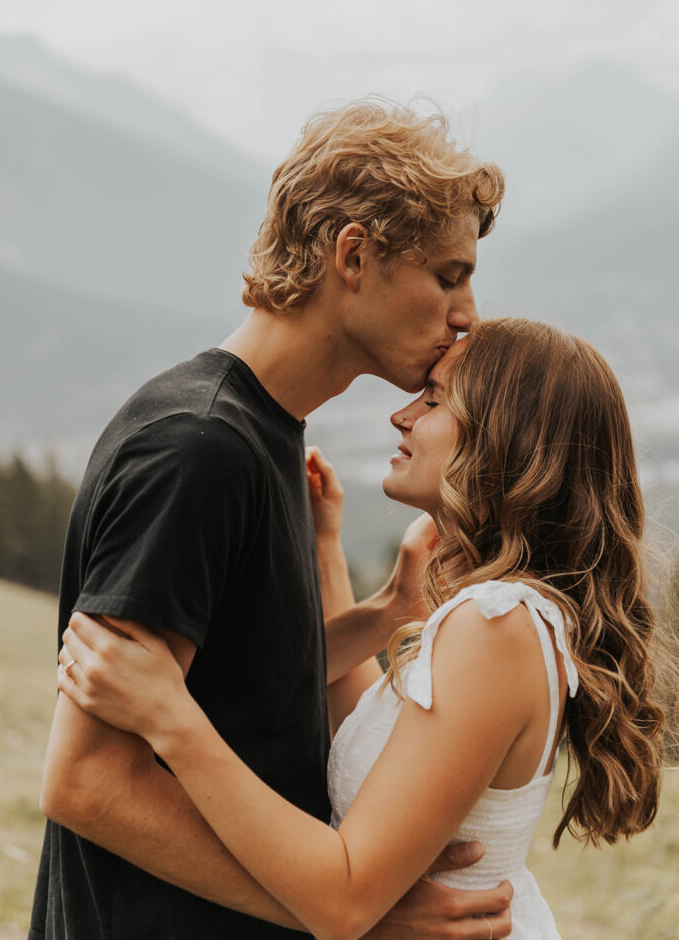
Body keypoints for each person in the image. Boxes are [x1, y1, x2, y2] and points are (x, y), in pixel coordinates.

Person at [31, 100, 513, 940]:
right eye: (448, 274)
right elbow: (88, 781)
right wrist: (349, 908)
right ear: (354, 255)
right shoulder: (198, 450)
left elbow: (236, 689)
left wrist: (377, 621)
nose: (467, 312)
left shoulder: (262, 438)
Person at [56, 317, 672, 940]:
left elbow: (345, 900)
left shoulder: (495, 627)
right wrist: (328, 553)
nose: (402, 416)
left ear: (506, 440)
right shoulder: (505, 620)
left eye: (433, 399)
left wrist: (171, 717)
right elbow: (369, 743)